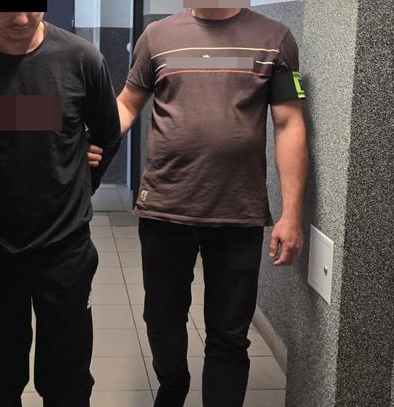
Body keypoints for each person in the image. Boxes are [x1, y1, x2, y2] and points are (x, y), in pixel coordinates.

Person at [102, 5, 308, 407]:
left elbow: (288, 123)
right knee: (161, 320)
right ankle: (173, 384)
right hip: (165, 207)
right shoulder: (156, 37)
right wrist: (86, 143)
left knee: (229, 334)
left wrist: (292, 213)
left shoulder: (276, 38)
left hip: (238, 211)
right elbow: (127, 104)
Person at [0, 4, 121, 406]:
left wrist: (78, 186)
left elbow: (107, 133)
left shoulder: (82, 60)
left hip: (66, 252)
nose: (20, 19)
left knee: (67, 386)